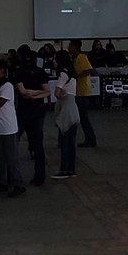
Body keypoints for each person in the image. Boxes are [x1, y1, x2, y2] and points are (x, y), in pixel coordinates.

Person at [13, 43, 49, 187]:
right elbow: (47, 91)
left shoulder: (19, 71)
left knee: (13, 142)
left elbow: (23, 92)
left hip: (23, 110)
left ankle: (11, 175)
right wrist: (39, 94)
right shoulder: (41, 72)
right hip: (39, 110)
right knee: (38, 144)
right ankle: (40, 176)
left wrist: (30, 93)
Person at [0, 58, 25, 197]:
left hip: (8, 128)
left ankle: (18, 184)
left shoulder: (7, 85)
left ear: (1, 71)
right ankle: (1, 182)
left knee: (12, 159)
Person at [51, 49, 79, 178]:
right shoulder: (72, 73)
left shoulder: (63, 73)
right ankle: (71, 170)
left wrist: (60, 93)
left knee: (64, 143)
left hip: (66, 111)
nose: (53, 61)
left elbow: (57, 93)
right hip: (73, 110)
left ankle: (63, 170)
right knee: (71, 143)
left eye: (55, 58)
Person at [68, 39, 97, 147]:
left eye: (70, 45)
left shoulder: (81, 57)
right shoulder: (74, 58)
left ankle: (89, 139)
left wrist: (76, 76)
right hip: (77, 91)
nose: (68, 47)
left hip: (82, 92)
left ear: (75, 47)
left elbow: (89, 70)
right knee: (81, 117)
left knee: (82, 117)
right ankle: (88, 139)